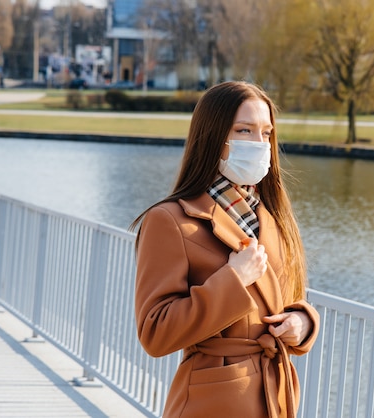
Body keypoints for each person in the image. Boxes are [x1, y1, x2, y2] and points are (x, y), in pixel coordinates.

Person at [132, 81, 320, 418]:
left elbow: (289, 298)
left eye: (266, 133)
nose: (259, 143)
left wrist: (303, 322)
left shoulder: (273, 216)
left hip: (274, 395)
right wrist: (233, 278)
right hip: (214, 402)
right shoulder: (170, 220)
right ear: (215, 137)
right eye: (245, 130)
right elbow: (154, 332)